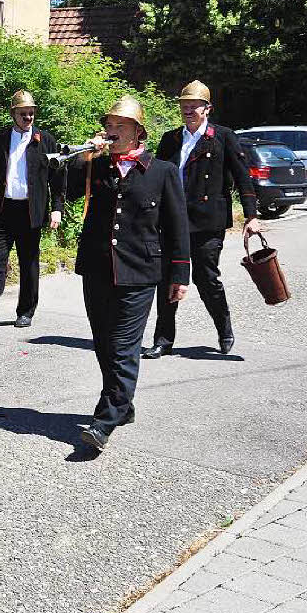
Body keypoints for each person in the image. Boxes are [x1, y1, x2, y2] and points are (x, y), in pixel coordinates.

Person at [67, 95, 190, 451]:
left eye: (120, 126)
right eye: (109, 125)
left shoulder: (162, 171)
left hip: (140, 271)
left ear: (138, 132)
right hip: (97, 268)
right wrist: (84, 156)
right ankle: (124, 405)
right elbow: (70, 190)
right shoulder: (97, 166)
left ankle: (102, 422)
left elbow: (177, 226)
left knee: (123, 347)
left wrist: (179, 276)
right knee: (104, 344)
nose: (112, 131)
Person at [142, 80, 260, 359]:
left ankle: (224, 327)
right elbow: (155, 177)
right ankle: (163, 339)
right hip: (171, 221)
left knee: (206, 279)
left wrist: (252, 215)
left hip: (207, 222)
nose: (188, 110)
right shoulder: (170, 139)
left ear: (208, 109)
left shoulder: (223, 137)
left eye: (193, 106)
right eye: (184, 106)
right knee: (167, 279)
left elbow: (243, 176)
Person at [0, 90, 65, 335]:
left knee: (29, 262)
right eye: (23, 114)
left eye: (31, 113)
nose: (28, 117)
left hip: (31, 211)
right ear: (13, 114)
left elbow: (57, 178)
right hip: (3, 210)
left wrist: (56, 209)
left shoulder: (46, 141)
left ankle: (25, 311)